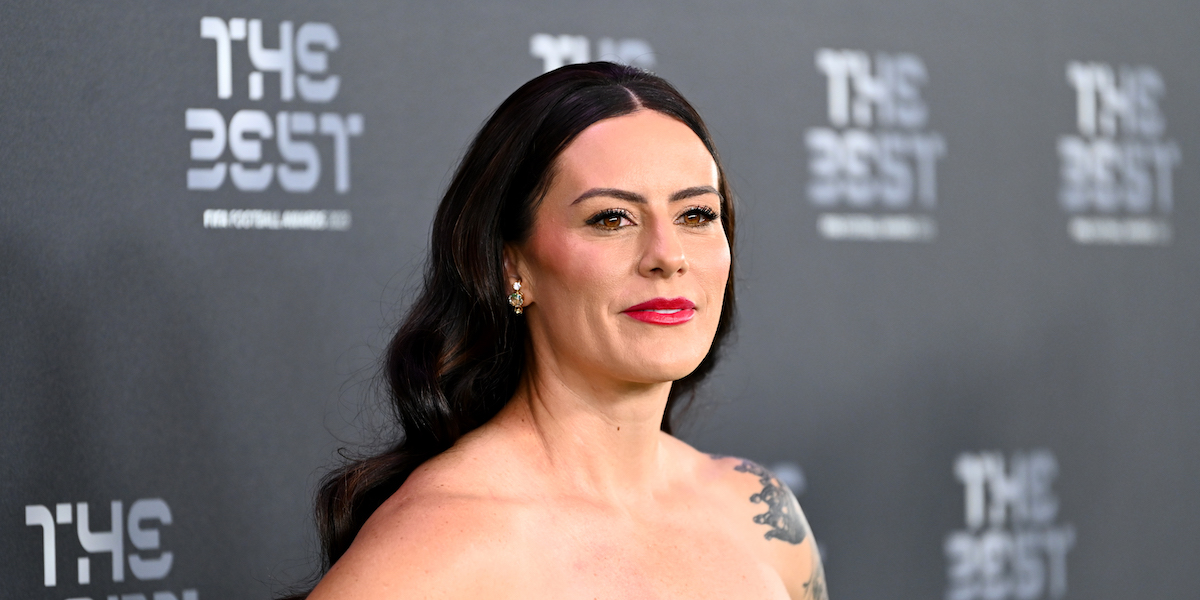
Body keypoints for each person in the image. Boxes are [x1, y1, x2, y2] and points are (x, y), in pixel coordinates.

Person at [300, 62, 827, 599]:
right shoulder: (444, 543)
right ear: (513, 267)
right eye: (611, 218)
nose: (668, 256)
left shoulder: (759, 510)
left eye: (695, 214)